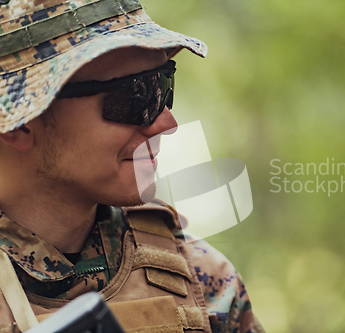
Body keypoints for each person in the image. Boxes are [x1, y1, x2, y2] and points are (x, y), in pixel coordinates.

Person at [0, 0, 263, 332]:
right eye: (135, 98)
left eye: (164, 87)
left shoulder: (204, 282)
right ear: (18, 121)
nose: (166, 123)